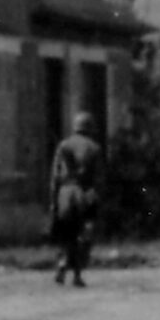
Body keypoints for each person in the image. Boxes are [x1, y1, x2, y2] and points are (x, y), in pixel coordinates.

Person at [49, 111, 105, 287]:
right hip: (83, 192)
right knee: (83, 233)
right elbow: (98, 178)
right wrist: (96, 197)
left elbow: (54, 177)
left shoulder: (63, 146)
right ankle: (77, 274)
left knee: (65, 232)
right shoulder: (94, 148)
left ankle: (62, 262)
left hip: (64, 193)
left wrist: (53, 201)